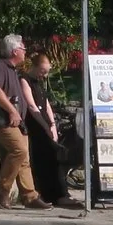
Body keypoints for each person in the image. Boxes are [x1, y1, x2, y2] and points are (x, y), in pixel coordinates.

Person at [0, 34, 44, 209]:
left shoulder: (12, 70)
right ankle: (3, 189)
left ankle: (29, 196)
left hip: (15, 122)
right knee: (19, 150)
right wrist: (12, 110)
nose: (25, 52)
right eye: (23, 49)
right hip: (1, 121)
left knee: (24, 157)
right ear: (15, 50)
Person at [24, 52, 74, 208]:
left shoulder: (40, 83)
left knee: (54, 158)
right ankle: (50, 194)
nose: (44, 75)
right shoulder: (25, 80)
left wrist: (52, 124)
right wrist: (45, 127)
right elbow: (32, 106)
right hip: (35, 126)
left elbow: (46, 104)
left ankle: (60, 194)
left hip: (45, 125)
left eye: (46, 72)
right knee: (41, 161)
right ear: (34, 67)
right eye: (42, 71)